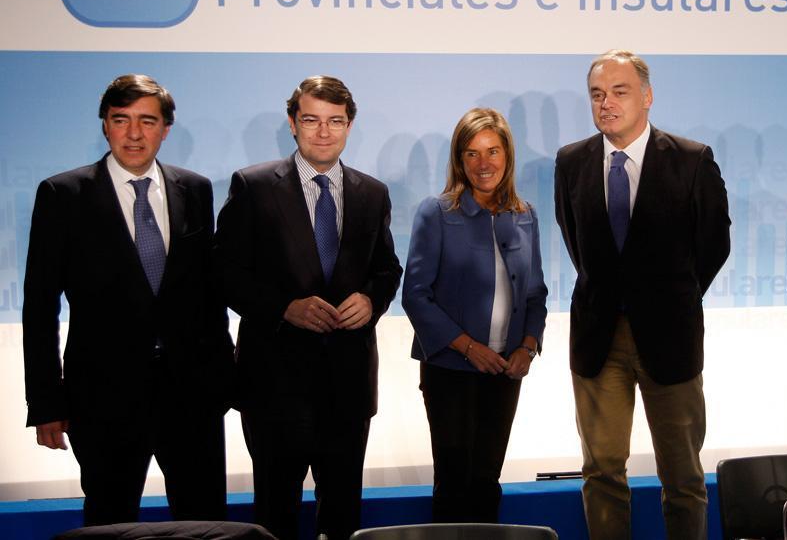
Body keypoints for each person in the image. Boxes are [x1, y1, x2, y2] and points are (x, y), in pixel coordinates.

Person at [21, 74, 232, 525]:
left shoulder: (195, 189)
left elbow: (208, 293)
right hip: (103, 397)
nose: (134, 134)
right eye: (121, 120)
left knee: (205, 520)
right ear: (105, 125)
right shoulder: (63, 194)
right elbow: (39, 307)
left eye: (147, 121)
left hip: (191, 394)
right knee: (110, 520)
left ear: (165, 129)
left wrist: (224, 379)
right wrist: (46, 402)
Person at [214, 75, 401, 540]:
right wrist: (284, 308)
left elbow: (387, 268)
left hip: (348, 383)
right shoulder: (254, 186)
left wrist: (372, 299)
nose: (323, 131)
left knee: (342, 514)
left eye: (335, 121)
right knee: (275, 515)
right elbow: (224, 273)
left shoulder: (372, 192)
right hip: (275, 385)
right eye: (312, 119)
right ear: (293, 123)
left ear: (349, 126)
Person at [554, 50, 730, 540]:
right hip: (598, 338)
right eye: (597, 94)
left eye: (620, 91)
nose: (606, 103)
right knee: (602, 471)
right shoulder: (571, 161)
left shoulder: (692, 160)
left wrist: (671, 299)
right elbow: (576, 240)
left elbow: (714, 245)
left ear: (647, 96)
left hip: (670, 339)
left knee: (683, 476)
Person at [402, 108, 548, 523]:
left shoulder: (525, 214)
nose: (484, 163)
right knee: (453, 484)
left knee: (487, 482)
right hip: (450, 370)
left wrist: (528, 347)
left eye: (493, 151)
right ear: (459, 160)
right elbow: (415, 295)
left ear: (508, 155)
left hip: (505, 371)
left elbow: (536, 293)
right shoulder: (437, 212)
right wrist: (469, 348)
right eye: (472, 153)